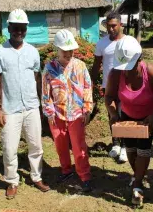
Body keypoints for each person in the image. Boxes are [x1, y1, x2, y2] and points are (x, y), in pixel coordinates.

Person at [105, 35, 153, 207]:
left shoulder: (152, 73)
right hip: (126, 115)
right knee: (130, 149)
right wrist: (113, 113)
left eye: (130, 66)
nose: (126, 71)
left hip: (148, 118)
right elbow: (110, 96)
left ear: (139, 58)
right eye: (123, 67)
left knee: (143, 150)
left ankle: (137, 183)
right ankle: (138, 176)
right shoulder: (115, 73)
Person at [0, 9, 50, 200]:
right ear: (9, 28)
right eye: (15, 28)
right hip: (10, 109)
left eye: (22, 28)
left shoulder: (32, 52)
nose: (19, 32)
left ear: (26, 29)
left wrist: (40, 104)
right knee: (9, 148)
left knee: (36, 145)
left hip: (31, 107)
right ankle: (12, 181)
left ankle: (36, 176)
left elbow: (36, 78)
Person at [42, 29, 93, 192]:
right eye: (65, 50)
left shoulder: (80, 66)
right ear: (57, 48)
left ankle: (84, 175)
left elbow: (87, 88)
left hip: (77, 114)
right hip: (57, 115)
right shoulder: (49, 68)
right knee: (60, 145)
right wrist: (48, 112)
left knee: (79, 147)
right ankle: (66, 170)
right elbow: (45, 92)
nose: (68, 53)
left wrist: (87, 109)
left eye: (71, 50)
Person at [91, 12, 127, 163]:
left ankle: (125, 147)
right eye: (108, 26)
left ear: (120, 25)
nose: (111, 29)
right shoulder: (101, 44)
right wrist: (91, 84)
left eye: (114, 26)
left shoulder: (129, 42)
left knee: (124, 115)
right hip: (108, 87)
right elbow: (96, 65)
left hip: (126, 87)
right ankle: (116, 144)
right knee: (112, 115)